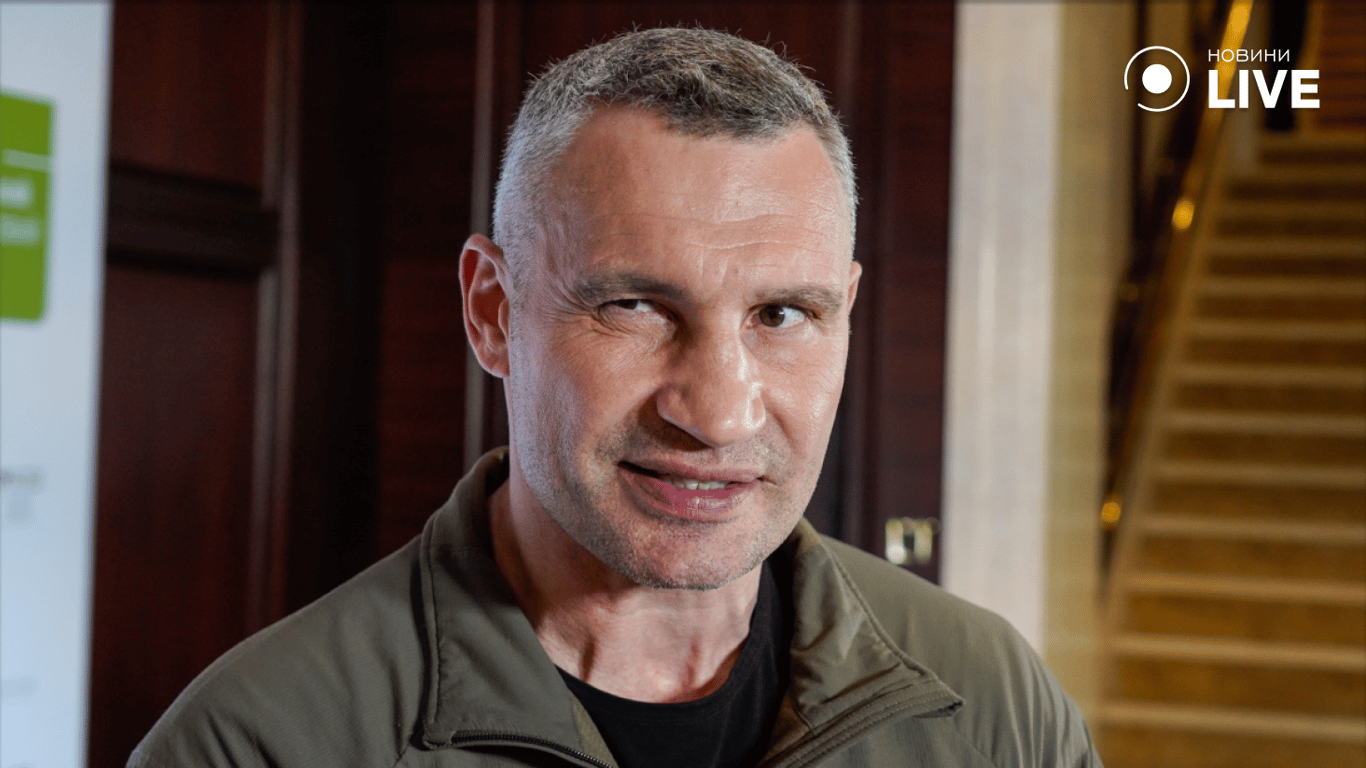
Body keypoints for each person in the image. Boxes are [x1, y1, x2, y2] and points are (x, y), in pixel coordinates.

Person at [131, 27, 1101, 768]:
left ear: (844, 313)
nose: (718, 414)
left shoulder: (994, 703)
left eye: (782, 315)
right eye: (635, 307)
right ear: (492, 310)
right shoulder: (258, 742)